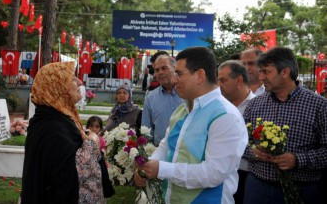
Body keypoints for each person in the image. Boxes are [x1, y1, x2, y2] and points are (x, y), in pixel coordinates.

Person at [135, 47, 248, 203]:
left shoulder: (226, 116)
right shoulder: (182, 109)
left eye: (179, 74)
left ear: (200, 75)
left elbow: (213, 173)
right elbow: (166, 146)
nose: (174, 80)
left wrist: (161, 169)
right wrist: (148, 167)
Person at [242, 47, 327, 204]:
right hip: (258, 187)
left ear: (285, 72)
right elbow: (238, 142)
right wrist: (253, 153)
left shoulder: (319, 106)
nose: (261, 77)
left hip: (303, 190)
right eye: (260, 72)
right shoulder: (254, 105)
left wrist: (297, 159)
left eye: (266, 72)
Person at [21, 62, 104, 203]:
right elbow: (71, 173)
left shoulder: (56, 118)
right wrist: (92, 142)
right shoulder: (53, 129)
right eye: (71, 78)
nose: (79, 82)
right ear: (56, 87)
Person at [217, 60, 256, 204]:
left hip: (249, 175)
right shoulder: (217, 107)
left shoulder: (260, 106)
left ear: (239, 80)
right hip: (221, 174)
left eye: (223, 80)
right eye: (218, 80)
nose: (219, 85)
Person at [141, 53, 182, 145]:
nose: (160, 72)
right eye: (157, 70)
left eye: (164, 68)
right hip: (159, 154)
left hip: (185, 153)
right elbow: (146, 131)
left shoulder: (187, 93)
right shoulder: (150, 97)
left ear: (174, 68)